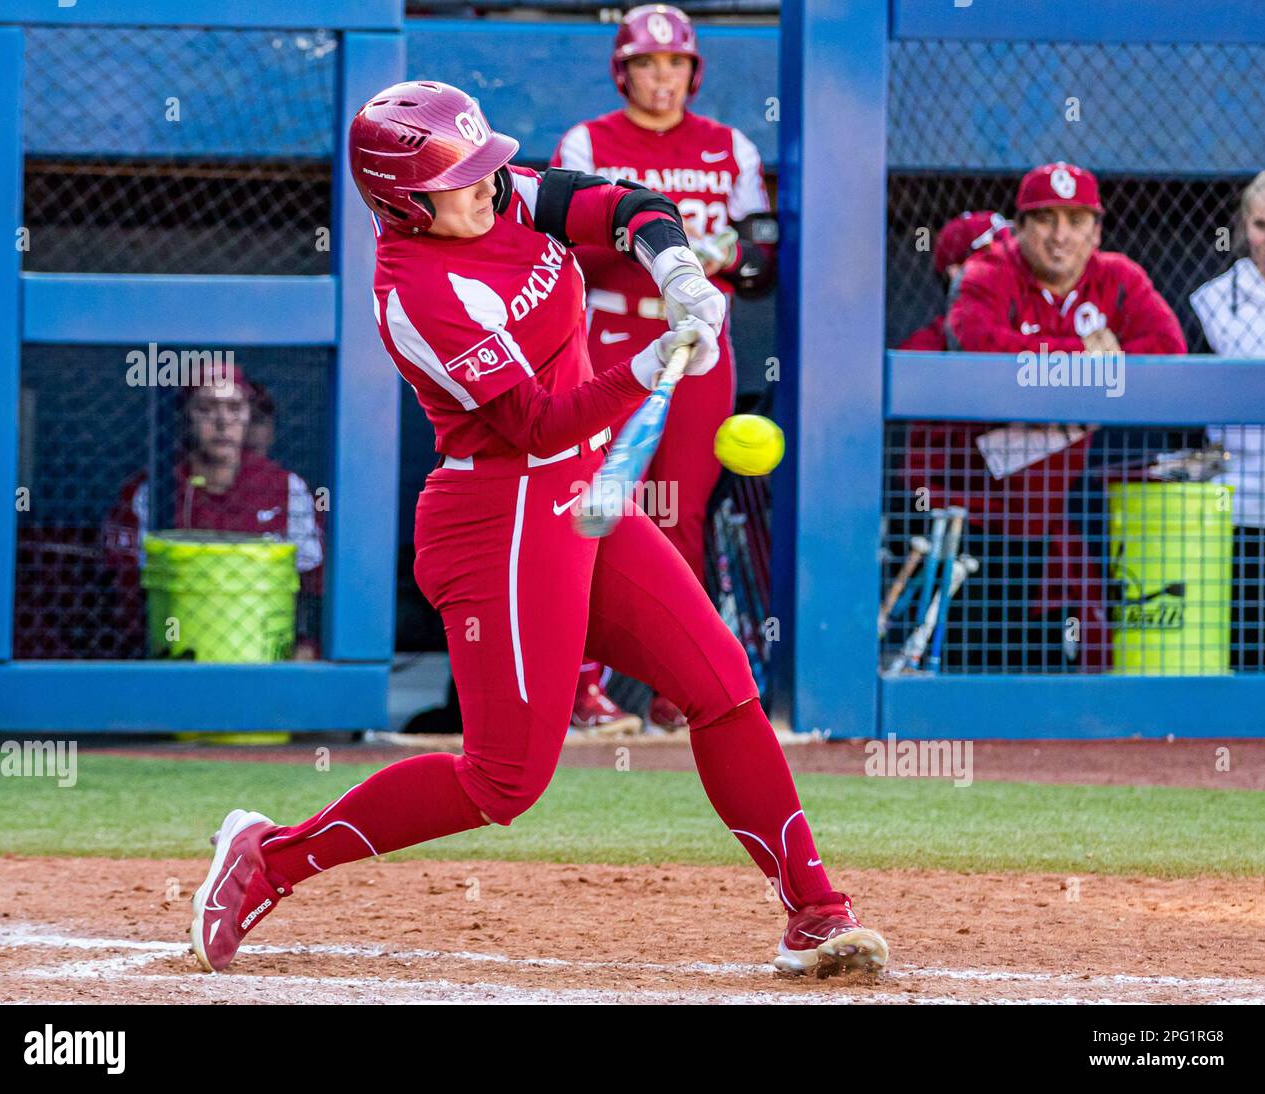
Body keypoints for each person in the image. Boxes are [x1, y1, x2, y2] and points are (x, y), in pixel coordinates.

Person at [188, 81, 887, 980]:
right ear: (404, 201)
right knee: (502, 781)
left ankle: (816, 913)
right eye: (464, 178)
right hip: (498, 519)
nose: (491, 183)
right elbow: (537, 422)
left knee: (721, 683)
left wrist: (674, 267)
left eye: (486, 166)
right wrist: (649, 362)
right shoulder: (419, 291)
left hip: (583, 496)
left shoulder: (497, 195)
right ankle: (267, 860)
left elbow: (616, 204)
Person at [552, 4, 777, 732]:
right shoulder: (589, 139)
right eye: (647, 64)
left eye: (674, 64)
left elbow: (763, 261)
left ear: (693, 71)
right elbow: (560, 248)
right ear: (624, 71)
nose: (661, 79)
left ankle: (676, 692)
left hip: (699, 348)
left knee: (678, 516)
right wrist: (650, 242)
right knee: (597, 506)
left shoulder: (728, 146)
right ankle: (579, 687)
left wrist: (728, 256)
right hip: (614, 337)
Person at [907, 162, 1186, 670]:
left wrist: (1050, 364)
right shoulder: (989, 270)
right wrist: (1083, 355)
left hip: (1076, 510)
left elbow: (1168, 350)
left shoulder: (1120, 277)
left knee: (1061, 665)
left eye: (1077, 221)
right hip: (986, 507)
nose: (1061, 237)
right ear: (1020, 228)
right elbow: (981, 344)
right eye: (1045, 220)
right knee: (979, 665)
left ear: (1096, 231)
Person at [104, 364, 325, 657]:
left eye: (234, 408)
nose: (222, 422)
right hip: (175, 656)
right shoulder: (151, 490)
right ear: (186, 417)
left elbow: (314, 580)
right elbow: (124, 593)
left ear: (248, 416)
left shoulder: (285, 487)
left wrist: (306, 644)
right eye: (207, 408)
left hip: (264, 654)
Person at [1190, 167, 1265, 669]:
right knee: (1242, 659)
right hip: (1238, 512)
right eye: (1262, 226)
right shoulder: (1213, 302)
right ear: (1243, 227)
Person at [900, 210, 1009, 351]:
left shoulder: (1033, 319)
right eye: (992, 256)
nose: (1008, 262)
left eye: (1008, 249)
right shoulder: (924, 350)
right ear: (957, 273)